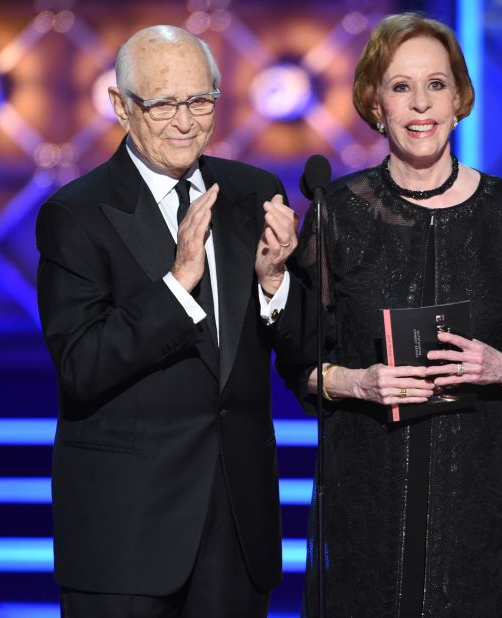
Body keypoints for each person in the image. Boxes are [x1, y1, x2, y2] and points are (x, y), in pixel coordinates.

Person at [35, 25, 312, 617]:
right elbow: (81, 367)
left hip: (237, 528)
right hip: (126, 535)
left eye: (200, 101)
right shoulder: (76, 215)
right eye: (163, 103)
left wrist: (275, 283)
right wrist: (177, 286)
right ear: (121, 106)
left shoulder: (253, 192)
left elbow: (302, 353)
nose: (185, 121)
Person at [294, 13, 502, 617]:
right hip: (369, 494)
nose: (421, 104)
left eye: (436, 85)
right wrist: (357, 381)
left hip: (478, 499)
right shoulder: (336, 212)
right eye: (400, 86)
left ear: (461, 97)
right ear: (374, 103)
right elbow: (300, 362)